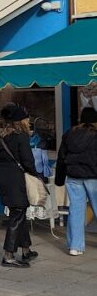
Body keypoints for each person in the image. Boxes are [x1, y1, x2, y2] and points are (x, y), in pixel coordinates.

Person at [0, 103, 40, 267]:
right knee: (17, 215)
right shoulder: (20, 136)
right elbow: (28, 160)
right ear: (20, 120)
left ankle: (26, 250)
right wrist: (36, 175)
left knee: (19, 213)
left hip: (3, 178)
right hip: (17, 179)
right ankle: (8, 255)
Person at [55, 106, 97, 257]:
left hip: (73, 177)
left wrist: (59, 179)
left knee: (76, 211)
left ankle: (75, 246)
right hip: (94, 177)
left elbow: (61, 158)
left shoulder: (69, 134)